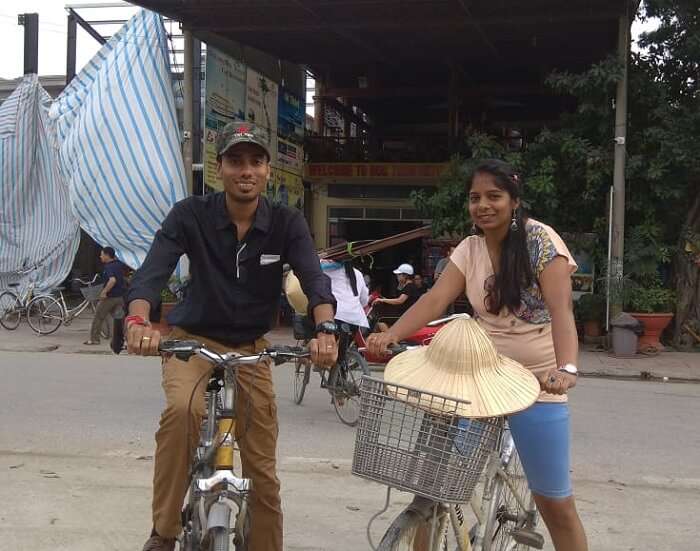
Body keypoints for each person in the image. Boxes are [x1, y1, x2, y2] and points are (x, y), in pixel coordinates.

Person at [125, 121, 338, 551]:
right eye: (236, 161)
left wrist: (326, 329)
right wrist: (138, 321)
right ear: (219, 168)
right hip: (192, 342)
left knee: (261, 465)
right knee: (182, 414)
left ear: (268, 171)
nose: (247, 170)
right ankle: (163, 533)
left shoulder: (286, 222)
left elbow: (314, 279)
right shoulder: (189, 215)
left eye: (256, 161)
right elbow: (152, 273)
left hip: (251, 350)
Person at [368, 159, 588, 551]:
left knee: (554, 501)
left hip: (537, 380)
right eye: (475, 198)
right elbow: (436, 298)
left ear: (514, 201)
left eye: (494, 196)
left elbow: (561, 310)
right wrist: (392, 334)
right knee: (436, 486)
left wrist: (566, 367)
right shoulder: (469, 250)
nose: (483, 205)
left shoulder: (541, 243)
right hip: (478, 377)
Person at [321, 259, 369, 353]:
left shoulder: (324, 270)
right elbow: (364, 301)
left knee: (326, 347)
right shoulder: (358, 274)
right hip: (355, 320)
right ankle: (340, 363)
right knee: (343, 351)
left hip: (335, 316)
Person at [83, 246, 125, 345]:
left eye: (102, 254)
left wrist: (104, 291)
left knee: (98, 317)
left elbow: (112, 280)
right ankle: (123, 340)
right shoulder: (119, 264)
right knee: (119, 319)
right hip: (120, 297)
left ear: (107, 255)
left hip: (110, 297)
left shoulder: (109, 266)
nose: (100, 256)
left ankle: (94, 339)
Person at [372, 263, 420, 332]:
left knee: (381, 319)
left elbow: (399, 301)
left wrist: (383, 300)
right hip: (403, 312)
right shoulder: (406, 286)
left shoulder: (409, 286)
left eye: (399, 274)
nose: (397, 276)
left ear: (405, 275)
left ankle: (390, 340)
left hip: (405, 314)